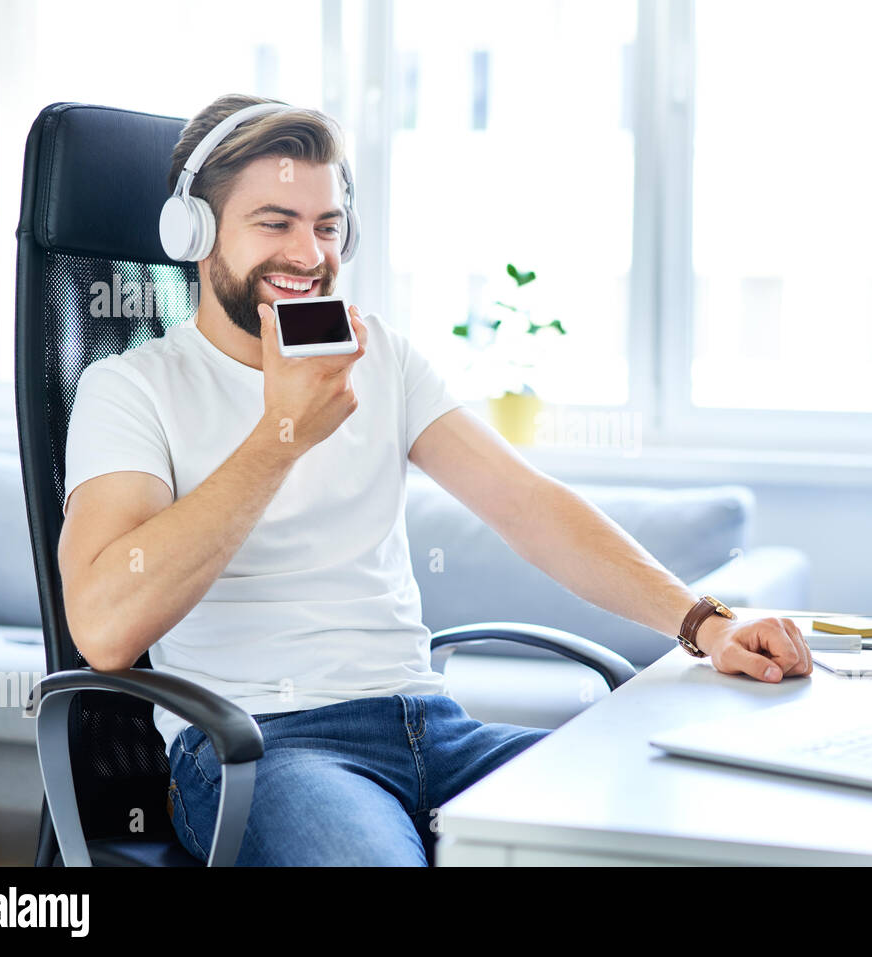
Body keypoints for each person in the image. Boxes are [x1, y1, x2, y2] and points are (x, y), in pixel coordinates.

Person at [58, 93, 812, 866]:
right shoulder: (133, 389)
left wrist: (705, 624)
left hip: (436, 729)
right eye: (275, 222)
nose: (310, 255)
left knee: (665, 834)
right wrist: (280, 436)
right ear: (195, 234)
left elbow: (531, 506)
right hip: (265, 749)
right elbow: (107, 629)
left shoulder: (378, 355)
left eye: (327, 227)